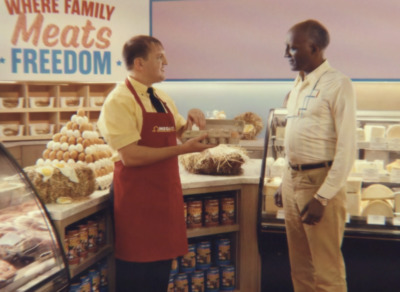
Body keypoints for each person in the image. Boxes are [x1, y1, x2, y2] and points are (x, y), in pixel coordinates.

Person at [97, 35, 215, 292]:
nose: (167, 61)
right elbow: (131, 155)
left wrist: (190, 121)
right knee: (137, 276)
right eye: (160, 56)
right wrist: (182, 149)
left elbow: (174, 134)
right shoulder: (119, 101)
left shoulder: (160, 97)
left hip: (163, 196)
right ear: (139, 63)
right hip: (137, 202)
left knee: (159, 276)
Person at [274, 20, 357, 292]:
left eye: (293, 48)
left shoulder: (339, 84)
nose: (287, 54)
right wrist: (284, 181)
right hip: (292, 181)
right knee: (300, 268)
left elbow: (347, 149)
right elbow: (295, 139)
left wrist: (323, 196)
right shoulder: (297, 85)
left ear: (315, 47)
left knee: (326, 272)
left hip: (319, 184)